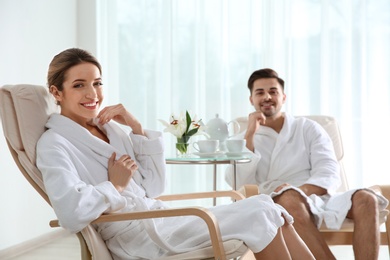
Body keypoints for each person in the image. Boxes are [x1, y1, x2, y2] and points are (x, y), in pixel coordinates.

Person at [36, 48, 314, 260]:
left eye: (97, 83)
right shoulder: (54, 143)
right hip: (135, 236)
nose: (92, 93)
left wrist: (136, 128)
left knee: (266, 205)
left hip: (160, 219)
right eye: (79, 85)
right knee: (259, 210)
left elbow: (154, 188)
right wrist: (115, 185)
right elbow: (70, 213)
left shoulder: (112, 130)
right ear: (56, 92)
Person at [225, 68, 389, 260]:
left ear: (283, 97)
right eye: (260, 92)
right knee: (289, 199)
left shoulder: (307, 128)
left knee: (366, 199)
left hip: (316, 196)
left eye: (273, 91)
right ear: (251, 100)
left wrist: (299, 190)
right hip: (273, 202)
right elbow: (238, 184)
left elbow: (328, 171)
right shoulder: (242, 140)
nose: (267, 96)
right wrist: (250, 134)